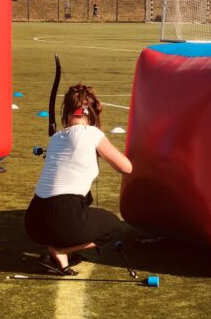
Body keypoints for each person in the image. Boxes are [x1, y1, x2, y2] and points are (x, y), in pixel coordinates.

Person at [24, 83, 133, 275]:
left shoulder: (56, 137)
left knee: (84, 199)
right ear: (91, 112)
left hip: (34, 222)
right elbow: (126, 167)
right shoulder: (92, 133)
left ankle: (60, 245)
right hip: (63, 218)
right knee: (114, 226)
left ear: (66, 111)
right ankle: (61, 250)